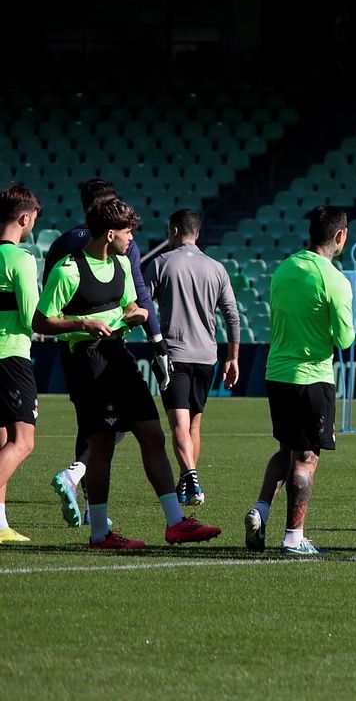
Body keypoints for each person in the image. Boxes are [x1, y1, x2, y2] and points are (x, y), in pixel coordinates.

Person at [35, 197, 220, 550]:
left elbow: (131, 304)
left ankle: (176, 523)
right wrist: (82, 323)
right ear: (110, 234)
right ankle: (99, 534)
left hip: (119, 356)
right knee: (102, 445)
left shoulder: (121, 265)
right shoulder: (68, 271)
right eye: (127, 232)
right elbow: (41, 321)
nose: (132, 238)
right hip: (89, 362)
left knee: (153, 434)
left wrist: (137, 314)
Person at [47, 178, 166, 528]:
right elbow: (139, 291)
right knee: (104, 429)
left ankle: (89, 503)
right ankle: (80, 483)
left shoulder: (63, 242)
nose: (130, 236)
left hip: (76, 349)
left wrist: (131, 316)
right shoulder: (108, 251)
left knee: (96, 425)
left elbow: (52, 297)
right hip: (94, 349)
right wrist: (155, 337)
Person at [246, 206, 353, 556]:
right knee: (306, 458)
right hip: (312, 377)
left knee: (286, 449)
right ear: (340, 236)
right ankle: (294, 537)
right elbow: (345, 339)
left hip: (277, 373)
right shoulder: (334, 279)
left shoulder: (284, 269)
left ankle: (260, 510)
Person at [145, 209, 241, 507]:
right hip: (206, 356)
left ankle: (192, 479)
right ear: (197, 233)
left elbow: (142, 307)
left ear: (174, 230)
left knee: (178, 424)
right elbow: (232, 316)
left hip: (173, 354)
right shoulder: (217, 268)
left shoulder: (161, 263)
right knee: (194, 426)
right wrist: (233, 358)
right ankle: (186, 484)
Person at [0, 186, 42, 542]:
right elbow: (31, 316)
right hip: (11, 355)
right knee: (23, 442)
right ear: (25, 218)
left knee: (3, 442)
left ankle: (0, 525)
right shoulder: (21, 259)